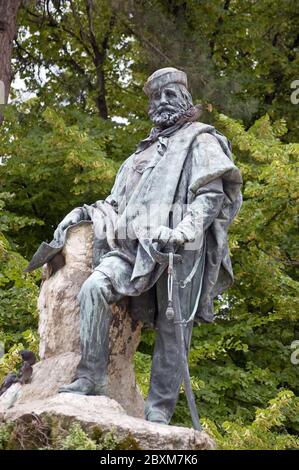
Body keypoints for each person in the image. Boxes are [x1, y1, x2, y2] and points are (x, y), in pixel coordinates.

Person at [26, 67, 242, 425]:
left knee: (174, 330)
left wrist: (185, 232)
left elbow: (210, 197)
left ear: (185, 99)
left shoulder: (200, 140)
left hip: (179, 250)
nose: (161, 103)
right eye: (155, 98)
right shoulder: (136, 158)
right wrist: (82, 213)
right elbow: (115, 204)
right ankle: (90, 376)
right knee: (94, 287)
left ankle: (157, 412)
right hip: (132, 246)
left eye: (169, 95)